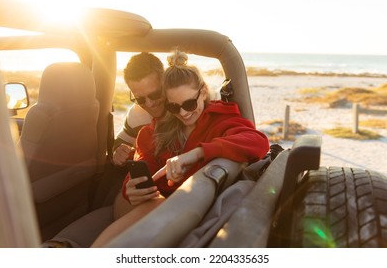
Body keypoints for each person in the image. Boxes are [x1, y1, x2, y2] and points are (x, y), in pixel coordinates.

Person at [91, 50, 270, 247]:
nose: (183, 113)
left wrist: (196, 154)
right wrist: (130, 188)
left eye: (190, 104)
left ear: (202, 92)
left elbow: (258, 141)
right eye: (174, 107)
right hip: (166, 212)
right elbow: (144, 162)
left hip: (201, 214)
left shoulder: (220, 121)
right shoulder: (153, 131)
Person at [112, 52, 166, 167]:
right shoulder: (136, 115)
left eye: (155, 94)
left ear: (165, 82)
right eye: (140, 99)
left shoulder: (184, 107)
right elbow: (121, 141)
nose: (149, 104)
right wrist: (118, 151)